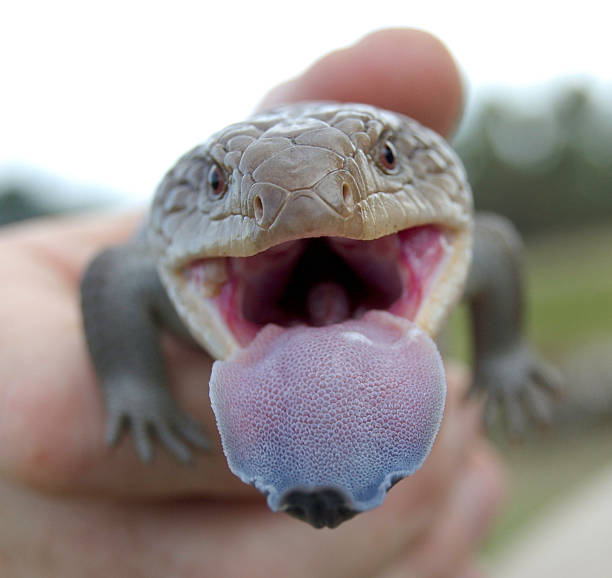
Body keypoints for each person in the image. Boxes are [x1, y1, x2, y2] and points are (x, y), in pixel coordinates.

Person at [0, 28, 504, 577]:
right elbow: (115, 276)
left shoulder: (449, 240)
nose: (312, 208)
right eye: (218, 183)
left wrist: (506, 357)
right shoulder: (168, 267)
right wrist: (134, 388)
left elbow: (495, 250)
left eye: (384, 158)